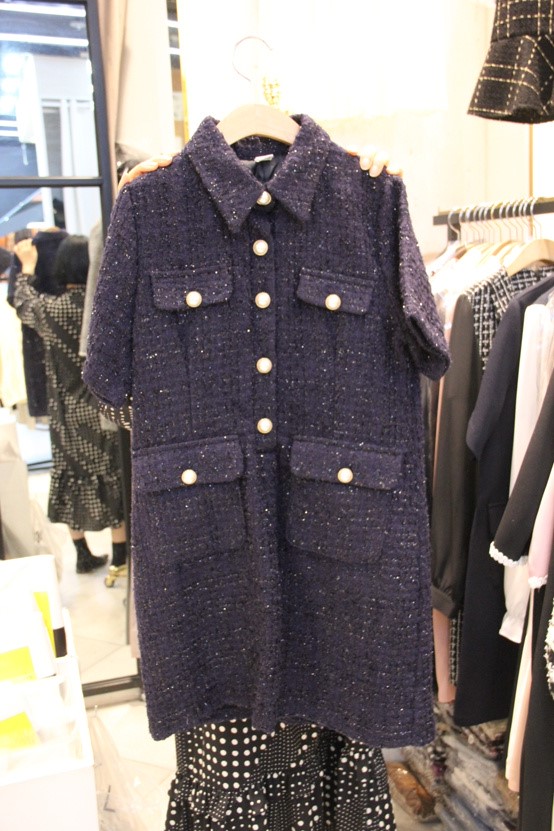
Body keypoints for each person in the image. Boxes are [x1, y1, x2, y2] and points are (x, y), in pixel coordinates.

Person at [13, 234, 127, 575]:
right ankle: (120, 558)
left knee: (71, 477)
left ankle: (83, 553)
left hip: (66, 413)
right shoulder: (100, 310)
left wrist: (28, 267)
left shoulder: (54, 309)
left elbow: (23, 303)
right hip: (101, 411)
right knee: (112, 480)